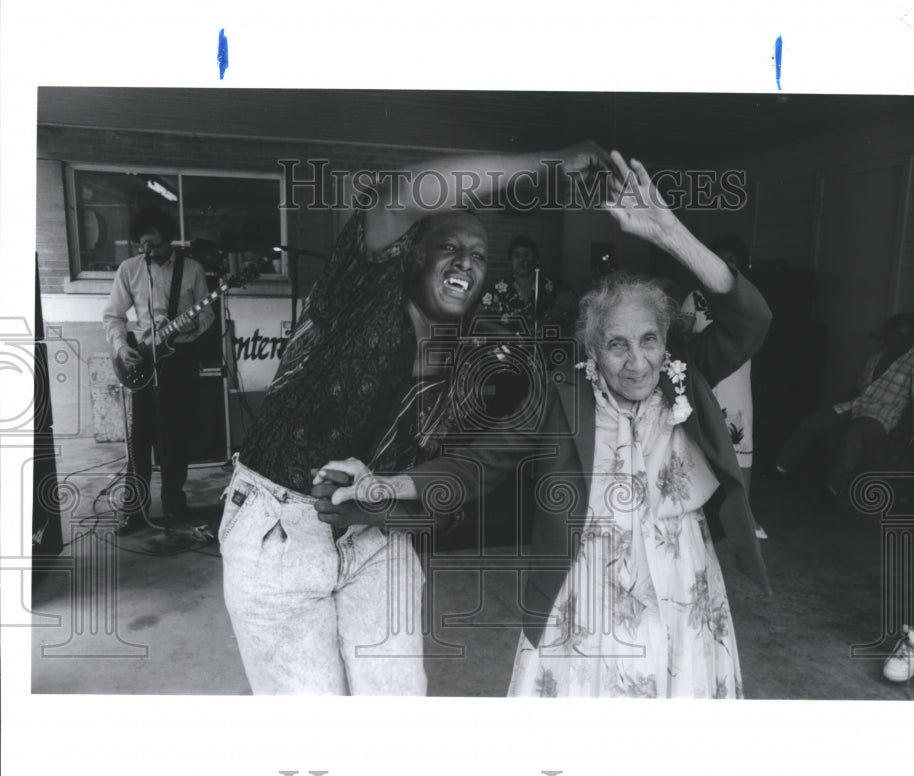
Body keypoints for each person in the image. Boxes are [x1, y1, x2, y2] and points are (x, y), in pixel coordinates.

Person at [316, 151, 772, 698]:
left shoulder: (686, 375)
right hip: (587, 580)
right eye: (617, 345)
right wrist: (391, 483)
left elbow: (753, 321)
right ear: (593, 351)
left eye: (649, 340)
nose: (637, 362)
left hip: (681, 572)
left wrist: (671, 233)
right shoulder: (562, 396)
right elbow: (479, 462)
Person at [218, 142, 613, 695]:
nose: (466, 262)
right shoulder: (359, 293)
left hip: (376, 532)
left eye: (478, 255)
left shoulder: (467, 360)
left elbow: (443, 494)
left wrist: (386, 502)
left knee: (398, 703)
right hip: (280, 526)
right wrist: (548, 165)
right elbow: (401, 197)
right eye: (448, 246)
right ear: (411, 256)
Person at [103, 208, 215, 536]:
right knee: (140, 439)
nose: (147, 248)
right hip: (142, 358)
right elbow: (113, 315)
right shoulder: (129, 270)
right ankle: (134, 508)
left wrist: (191, 329)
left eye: (153, 240)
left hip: (179, 359)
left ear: (166, 236)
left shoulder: (192, 269)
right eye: (142, 242)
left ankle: (173, 502)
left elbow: (206, 314)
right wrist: (123, 348)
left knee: (175, 435)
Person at [774, 313, 914, 495]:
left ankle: (832, 489)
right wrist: (838, 411)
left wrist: (902, 433)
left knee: (853, 435)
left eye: (908, 336)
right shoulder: (874, 359)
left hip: (883, 413)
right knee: (809, 422)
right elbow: (858, 390)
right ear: (887, 334)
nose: (902, 340)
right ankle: (781, 469)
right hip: (857, 404)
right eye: (897, 334)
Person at [681, 235, 767, 539]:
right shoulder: (695, 297)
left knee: (740, 446)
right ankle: (697, 515)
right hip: (704, 377)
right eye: (721, 260)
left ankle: (745, 517)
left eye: (733, 262)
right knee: (699, 446)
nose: (726, 267)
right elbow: (681, 337)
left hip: (736, 381)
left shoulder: (748, 300)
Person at [478, 235, 575, 334]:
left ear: (535, 259)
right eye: (516, 256)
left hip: (541, 347)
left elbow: (558, 318)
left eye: (526, 255)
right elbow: (477, 316)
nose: (521, 260)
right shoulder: (499, 287)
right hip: (507, 347)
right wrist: (502, 332)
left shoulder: (547, 286)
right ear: (511, 260)